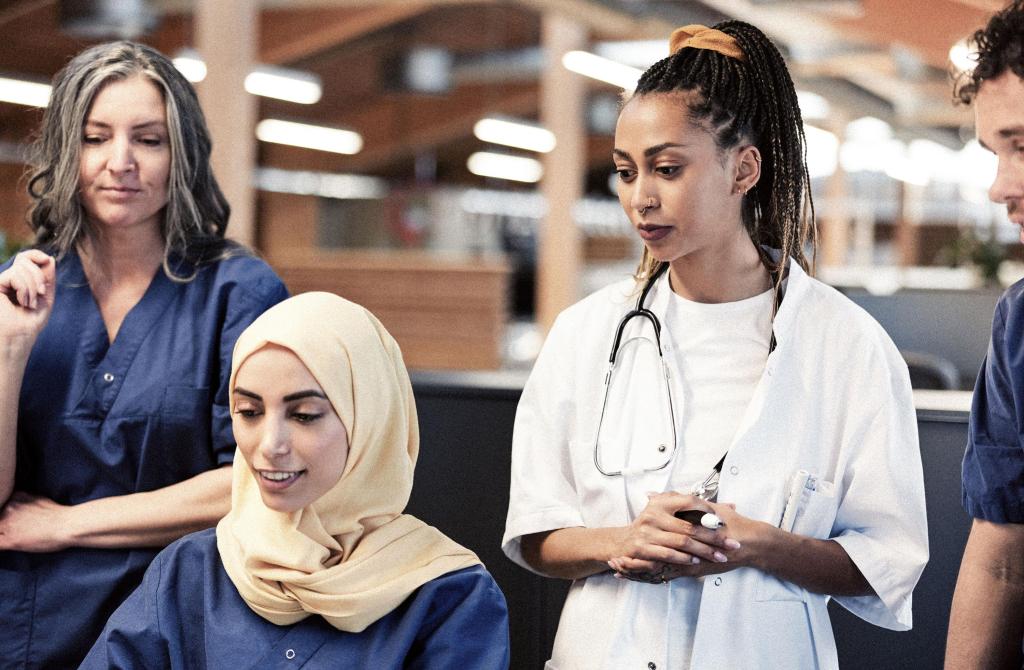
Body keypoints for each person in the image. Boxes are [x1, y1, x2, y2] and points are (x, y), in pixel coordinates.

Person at [502, 21, 928, 669]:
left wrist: (754, 543)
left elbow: (885, 564)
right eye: (625, 171)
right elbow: (535, 534)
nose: (641, 197)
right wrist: (623, 541)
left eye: (668, 168)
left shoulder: (848, 346)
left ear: (744, 169)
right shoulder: (586, 334)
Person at [0, 41, 288, 668]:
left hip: (177, 621)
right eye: (96, 137)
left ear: (179, 154)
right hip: (28, 628)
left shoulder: (240, 292)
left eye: (149, 139)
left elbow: (257, 479)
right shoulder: (22, 292)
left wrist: (66, 524)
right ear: (64, 152)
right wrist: (10, 352)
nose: (120, 162)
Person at [80, 292, 510, 668]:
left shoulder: (448, 595)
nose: (270, 444)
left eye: (304, 415)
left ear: (371, 419)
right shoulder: (190, 571)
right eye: (248, 412)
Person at [946, 3, 1024, 668]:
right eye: (995, 152)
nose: (1001, 186)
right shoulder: (1020, 325)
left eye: (1022, 145)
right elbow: (1002, 561)